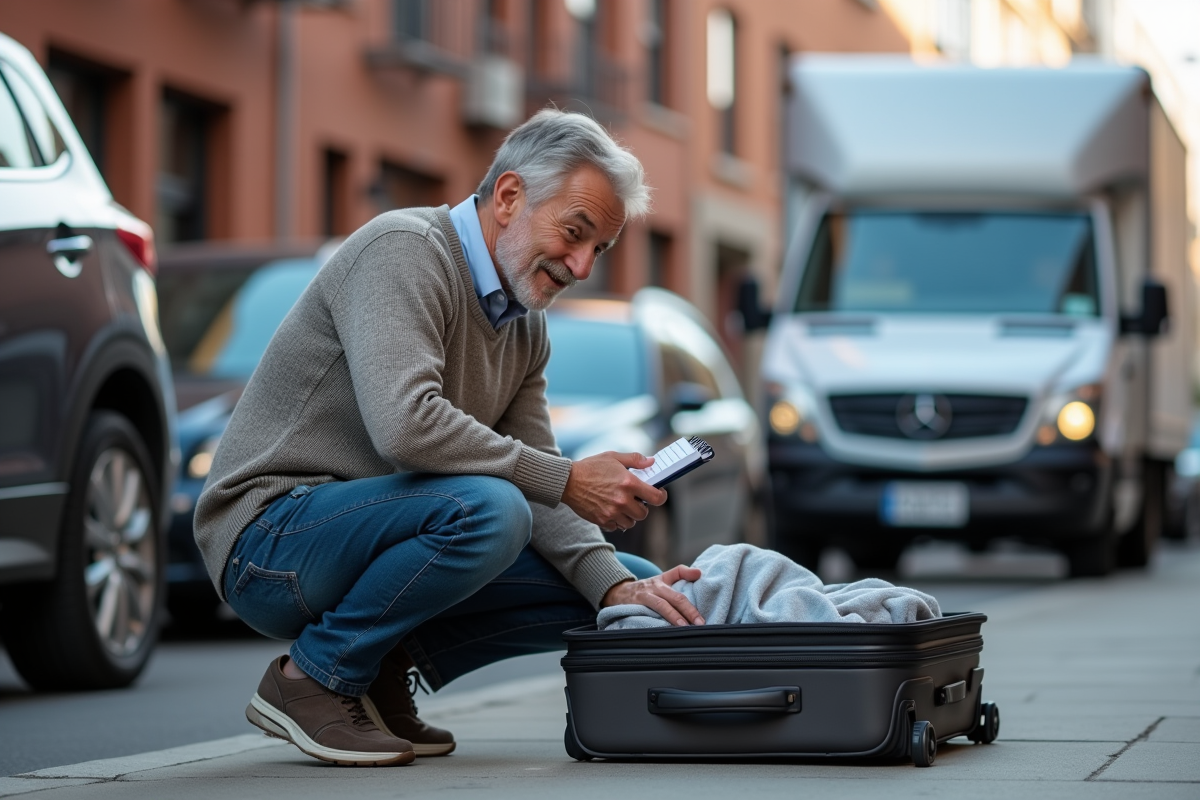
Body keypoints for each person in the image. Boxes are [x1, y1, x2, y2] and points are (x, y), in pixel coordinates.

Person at [193, 109, 706, 767]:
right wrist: (569, 479)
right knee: (491, 511)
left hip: (367, 536)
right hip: (268, 544)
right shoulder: (402, 250)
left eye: (599, 249)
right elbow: (408, 427)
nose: (582, 265)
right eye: (575, 233)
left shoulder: (524, 328)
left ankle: (377, 668)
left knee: (625, 589)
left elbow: (541, 472)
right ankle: (313, 680)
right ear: (509, 196)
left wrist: (612, 585)